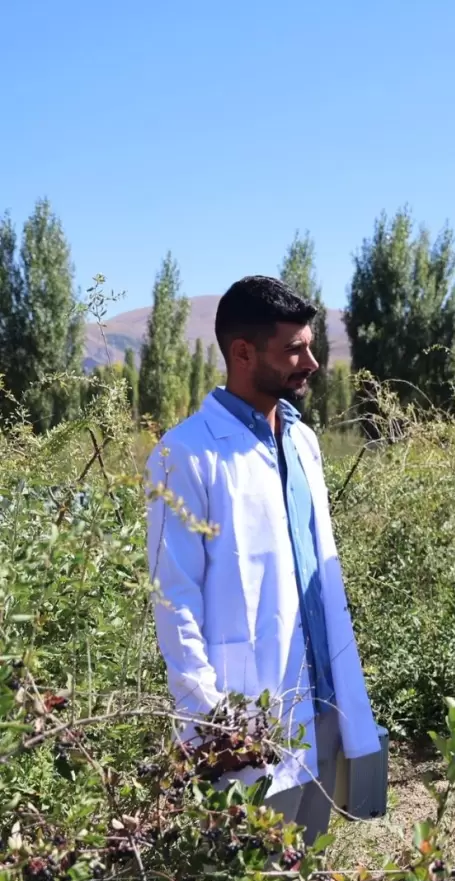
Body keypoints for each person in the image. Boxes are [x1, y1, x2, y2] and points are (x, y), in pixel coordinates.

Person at [145, 275, 381, 847]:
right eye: (294, 350)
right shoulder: (187, 452)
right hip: (245, 711)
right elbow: (174, 596)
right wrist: (211, 714)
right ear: (243, 353)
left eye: (311, 345)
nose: (313, 363)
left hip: (321, 697)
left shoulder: (303, 442)